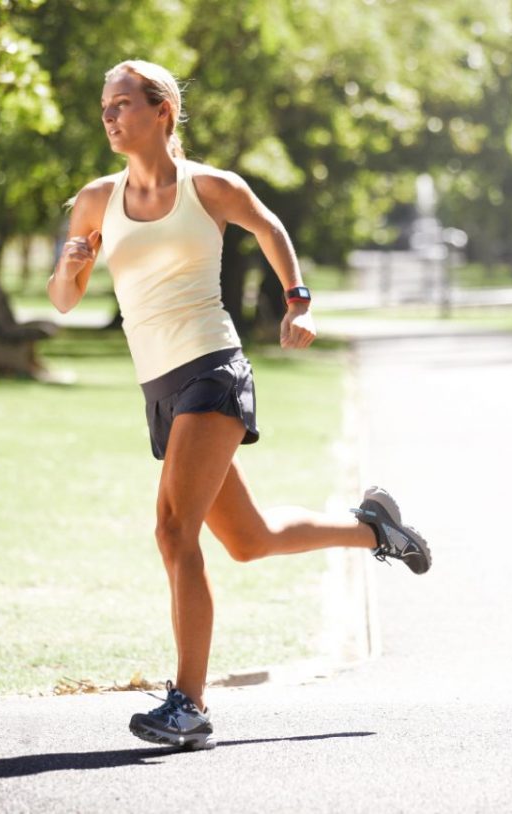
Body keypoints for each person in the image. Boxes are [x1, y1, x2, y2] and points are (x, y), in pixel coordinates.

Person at [47, 60, 432, 750]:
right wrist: (71, 266)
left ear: (162, 110)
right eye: (104, 106)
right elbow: (63, 300)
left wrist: (299, 302)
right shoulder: (96, 200)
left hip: (212, 371)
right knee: (249, 540)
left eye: (123, 104)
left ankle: (189, 704)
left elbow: (269, 227)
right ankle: (374, 530)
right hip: (160, 389)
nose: (109, 117)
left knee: (173, 531)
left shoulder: (209, 187)